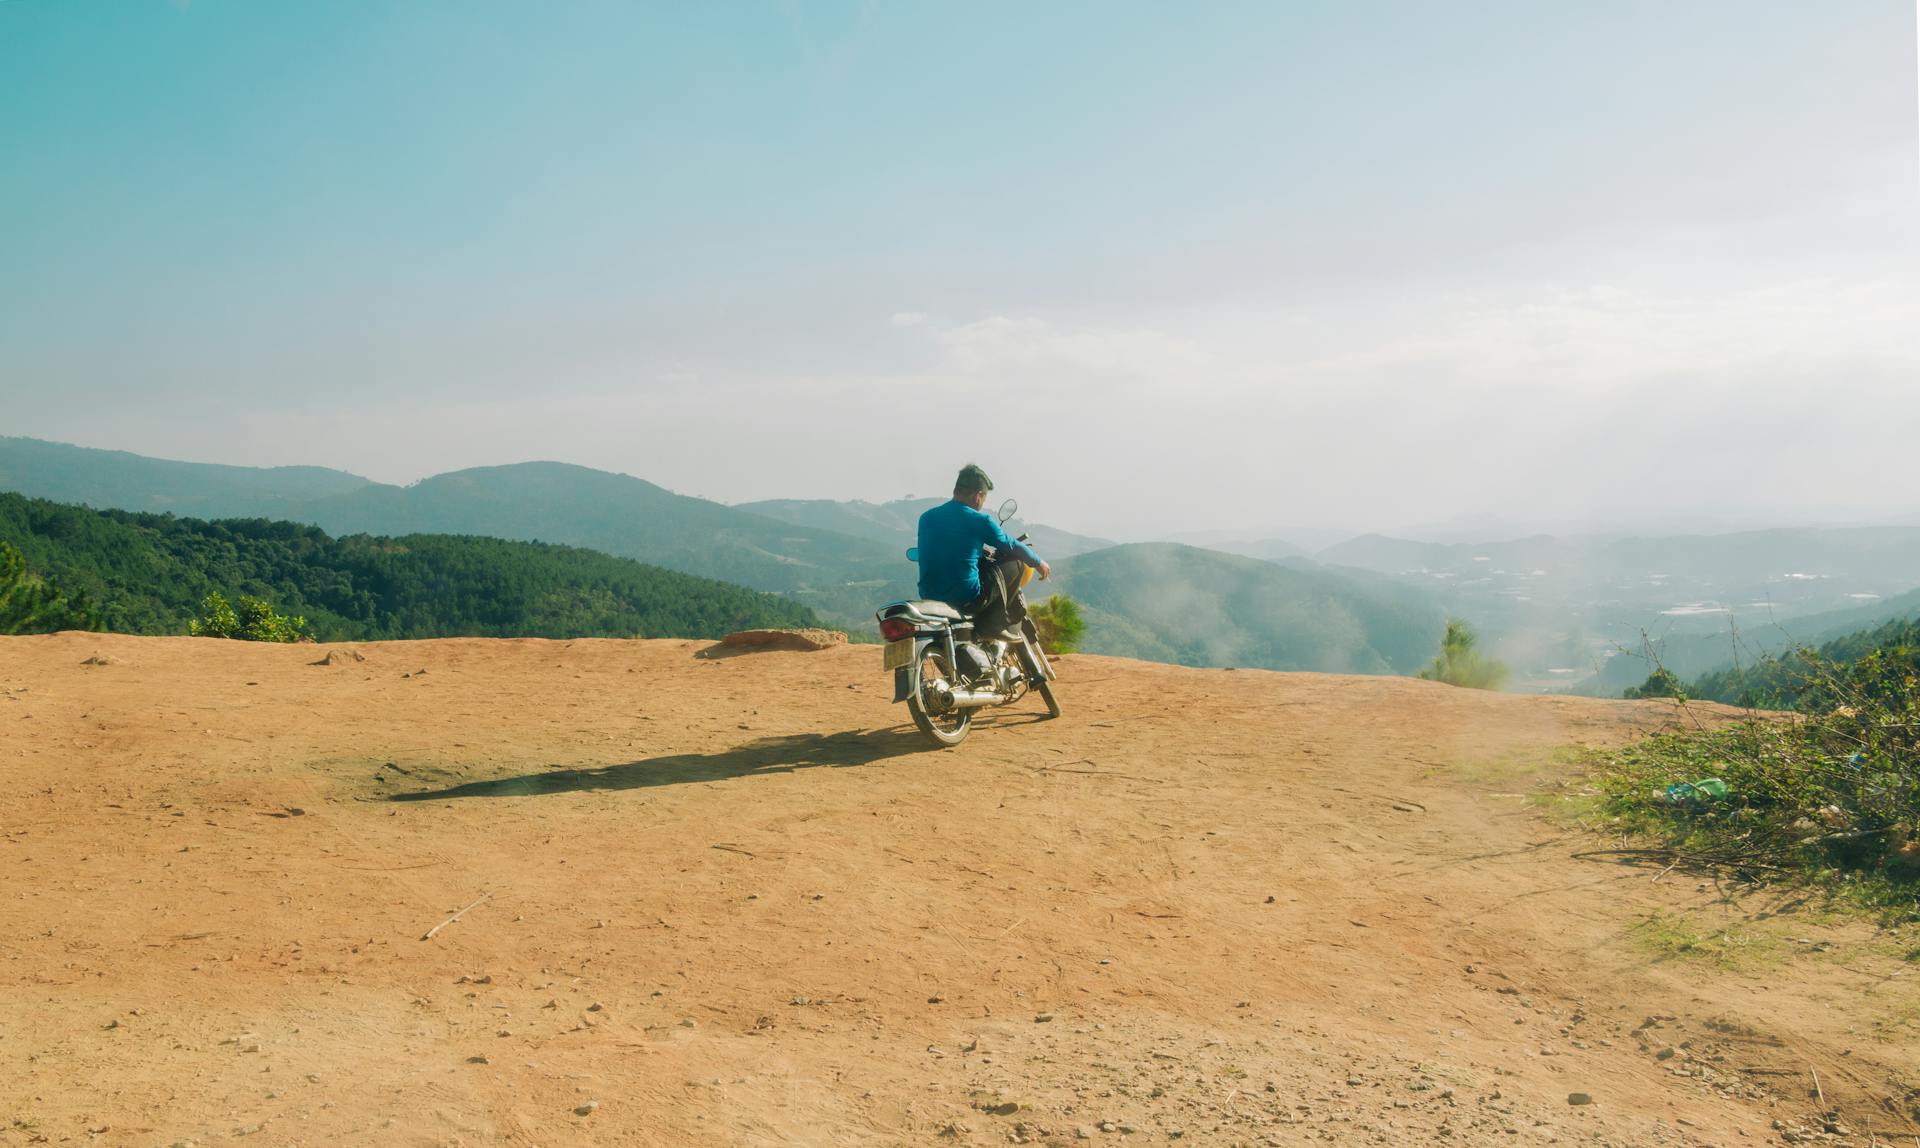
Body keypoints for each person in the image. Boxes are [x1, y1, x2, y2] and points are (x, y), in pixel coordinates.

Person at [916, 464, 1050, 642]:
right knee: (1017, 563)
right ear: (978, 495)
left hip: (928, 595)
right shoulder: (979, 520)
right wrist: (1037, 562)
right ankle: (994, 624)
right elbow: (1010, 545)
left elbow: (950, 543)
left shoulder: (927, 517)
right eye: (984, 498)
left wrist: (978, 549)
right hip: (966, 597)